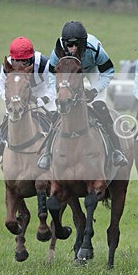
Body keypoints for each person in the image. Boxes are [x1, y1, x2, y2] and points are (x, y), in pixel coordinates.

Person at [37, 21, 127, 170]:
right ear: (64, 44)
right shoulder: (58, 53)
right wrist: (59, 91)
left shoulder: (95, 49)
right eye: (69, 45)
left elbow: (108, 71)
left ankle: (117, 150)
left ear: (84, 44)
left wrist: (95, 90)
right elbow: (52, 75)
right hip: (69, 73)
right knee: (59, 110)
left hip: (92, 70)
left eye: (77, 45)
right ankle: (47, 153)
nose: (73, 48)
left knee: (99, 106)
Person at [0, 36, 56, 164]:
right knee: (8, 116)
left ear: (31, 58)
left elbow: (52, 88)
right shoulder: (6, 65)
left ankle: (52, 152)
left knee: (54, 117)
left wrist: (40, 101)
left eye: (24, 62)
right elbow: (1, 87)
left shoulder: (44, 63)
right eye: (16, 61)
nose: (19, 66)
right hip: (17, 91)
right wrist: (11, 101)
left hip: (41, 90)